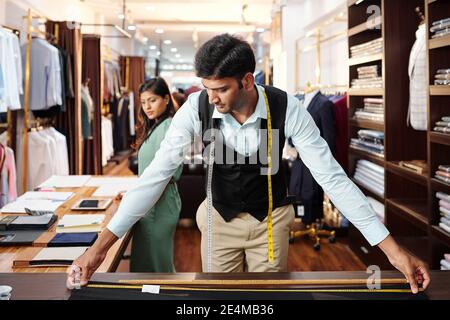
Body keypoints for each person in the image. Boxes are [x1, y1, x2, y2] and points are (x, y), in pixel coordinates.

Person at [68, 34, 430, 293]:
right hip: (217, 220)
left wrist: (393, 252)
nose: (211, 98)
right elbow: (155, 176)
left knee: (266, 301)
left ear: (246, 81)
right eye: (206, 88)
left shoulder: (288, 108)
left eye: (220, 89)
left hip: (270, 222)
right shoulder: (197, 107)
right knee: (217, 301)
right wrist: (99, 248)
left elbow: (333, 179)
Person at [130, 77, 182, 272]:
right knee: (149, 261)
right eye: (143, 102)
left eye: (152, 100)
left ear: (166, 99)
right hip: (150, 200)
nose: (147, 107)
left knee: (157, 265)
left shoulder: (169, 127)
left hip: (159, 204)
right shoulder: (157, 126)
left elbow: (170, 172)